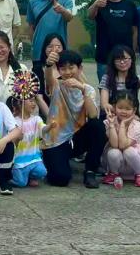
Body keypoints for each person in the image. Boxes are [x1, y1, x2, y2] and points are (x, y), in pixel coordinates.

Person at [40, 49, 106, 188]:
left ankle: (90, 171)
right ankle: (49, 163)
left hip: (76, 138)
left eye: (71, 67)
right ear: (59, 70)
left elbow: (93, 115)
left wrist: (82, 89)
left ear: (80, 68)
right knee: (61, 179)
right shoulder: (57, 85)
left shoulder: (88, 89)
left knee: (98, 126)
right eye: (63, 68)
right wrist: (49, 65)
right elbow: (48, 78)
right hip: (56, 140)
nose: (68, 72)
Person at [87, 0, 140, 82]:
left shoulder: (130, 5)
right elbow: (90, 16)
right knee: (105, 90)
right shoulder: (99, 4)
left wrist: (133, 51)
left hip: (125, 58)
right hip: (104, 58)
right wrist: (96, 4)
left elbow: (135, 30)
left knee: (127, 89)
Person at [25, 0, 75, 76]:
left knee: (60, 84)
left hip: (60, 52)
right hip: (39, 53)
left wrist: (62, 10)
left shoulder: (66, 0)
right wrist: (34, 45)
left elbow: (69, 17)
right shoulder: (33, 1)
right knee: (39, 84)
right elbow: (31, 26)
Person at [102, 91, 140, 188]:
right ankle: (114, 174)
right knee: (113, 152)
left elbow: (123, 145)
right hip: (117, 163)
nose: (123, 111)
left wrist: (123, 124)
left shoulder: (136, 125)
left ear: (134, 110)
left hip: (133, 162)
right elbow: (115, 145)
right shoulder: (109, 122)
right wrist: (112, 124)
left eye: (128, 109)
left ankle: (139, 174)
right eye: (120, 108)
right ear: (114, 107)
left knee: (128, 151)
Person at [8, 94, 47, 188]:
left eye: (34, 101)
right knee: (21, 183)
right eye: (31, 101)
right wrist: (17, 138)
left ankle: (31, 176)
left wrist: (50, 127)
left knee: (42, 172)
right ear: (20, 103)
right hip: (19, 161)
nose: (34, 104)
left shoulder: (36, 119)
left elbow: (43, 129)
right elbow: (11, 144)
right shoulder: (14, 122)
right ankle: (9, 176)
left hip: (33, 159)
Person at [99, 44, 140, 116]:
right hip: (111, 117)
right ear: (113, 62)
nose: (122, 62)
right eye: (118, 59)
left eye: (125, 59)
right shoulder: (107, 79)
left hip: (132, 118)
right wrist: (122, 112)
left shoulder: (137, 78)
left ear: (131, 60)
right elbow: (104, 104)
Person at [33, 35, 66, 116]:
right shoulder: (37, 69)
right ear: (45, 49)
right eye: (50, 46)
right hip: (47, 113)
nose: (54, 49)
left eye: (58, 46)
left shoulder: (67, 67)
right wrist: (51, 119)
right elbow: (39, 98)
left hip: (67, 113)